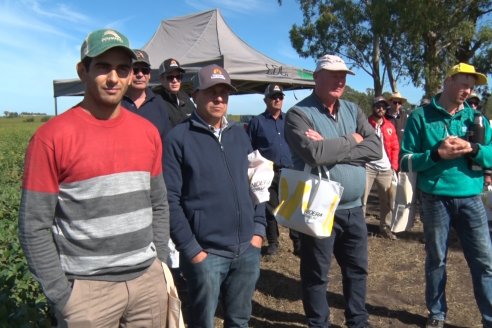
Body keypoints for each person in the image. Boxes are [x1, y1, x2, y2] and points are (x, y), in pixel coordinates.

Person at [18, 29, 171, 327]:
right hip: (87, 293)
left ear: (130, 77)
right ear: (82, 71)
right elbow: (33, 226)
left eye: (122, 69)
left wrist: (160, 265)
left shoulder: (148, 133)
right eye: (103, 66)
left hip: (147, 283)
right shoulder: (51, 138)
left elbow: (159, 204)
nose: (113, 77)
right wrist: (64, 298)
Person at [164, 64, 266, 328]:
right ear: (195, 94)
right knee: (202, 323)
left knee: (240, 321)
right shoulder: (178, 138)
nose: (219, 98)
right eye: (211, 91)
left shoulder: (239, 135)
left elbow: (256, 184)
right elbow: (169, 200)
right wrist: (191, 250)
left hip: (246, 249)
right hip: (205, 253)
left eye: (224, 92)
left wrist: (258, 229)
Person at [285, 54, 382, 328]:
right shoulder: (298, 114)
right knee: (317, 274)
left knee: (357, 270)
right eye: (333, 74)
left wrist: (331, 146)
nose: (340, 80)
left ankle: (357, 321)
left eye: (343, 75)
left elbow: (375, 148)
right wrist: (352, 140)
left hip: (354, 208)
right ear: (317, 77)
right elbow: (314, 154)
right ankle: (318, 323)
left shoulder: (353, 109)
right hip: (319, 208)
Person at [400, 62, 492, 328]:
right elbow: (404, 161)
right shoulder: (420, 116)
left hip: (472, 199)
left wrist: (473, 149)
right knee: (436, 259)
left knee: (485, 262)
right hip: (435, 198)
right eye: (464, 84)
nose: (468, 90)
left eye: (472, 86)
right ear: (448, 80)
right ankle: (437, 313)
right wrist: (436, 154)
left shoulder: (476, 119)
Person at [247, 83, 301, 256]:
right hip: (268, 172)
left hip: (290, 171)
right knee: (270, 209)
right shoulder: (257, 122)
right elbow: (250, 148)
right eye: (273, 97)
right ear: (266, 100)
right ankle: (273, 243)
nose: (277, 99)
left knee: (292, 208)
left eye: (280, 97)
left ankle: (298, 243)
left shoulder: (290, 120)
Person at [363, 96, 400, 240]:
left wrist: (394, 166)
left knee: (388, 201)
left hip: (386, 169)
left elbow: (395, 147)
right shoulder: (365, 123)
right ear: (373, 107)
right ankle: (359, 228)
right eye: (378, 106)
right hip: (368, 167)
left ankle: (385, 228)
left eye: (384, 107)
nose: (381, 109)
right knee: (362, 200)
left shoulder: (390, 126)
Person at [122, 49, 170, 152]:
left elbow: (166, 142)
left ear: (149, 75)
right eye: (135, 70)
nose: (140, 74)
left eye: (144, 70)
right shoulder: (115, 103)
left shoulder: (159, 103)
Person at [155, 58, 196, 127]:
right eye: (170, 77)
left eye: (178, 77)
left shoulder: (186, 98)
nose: (175, 80)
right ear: (161, 79)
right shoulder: (157, 102)